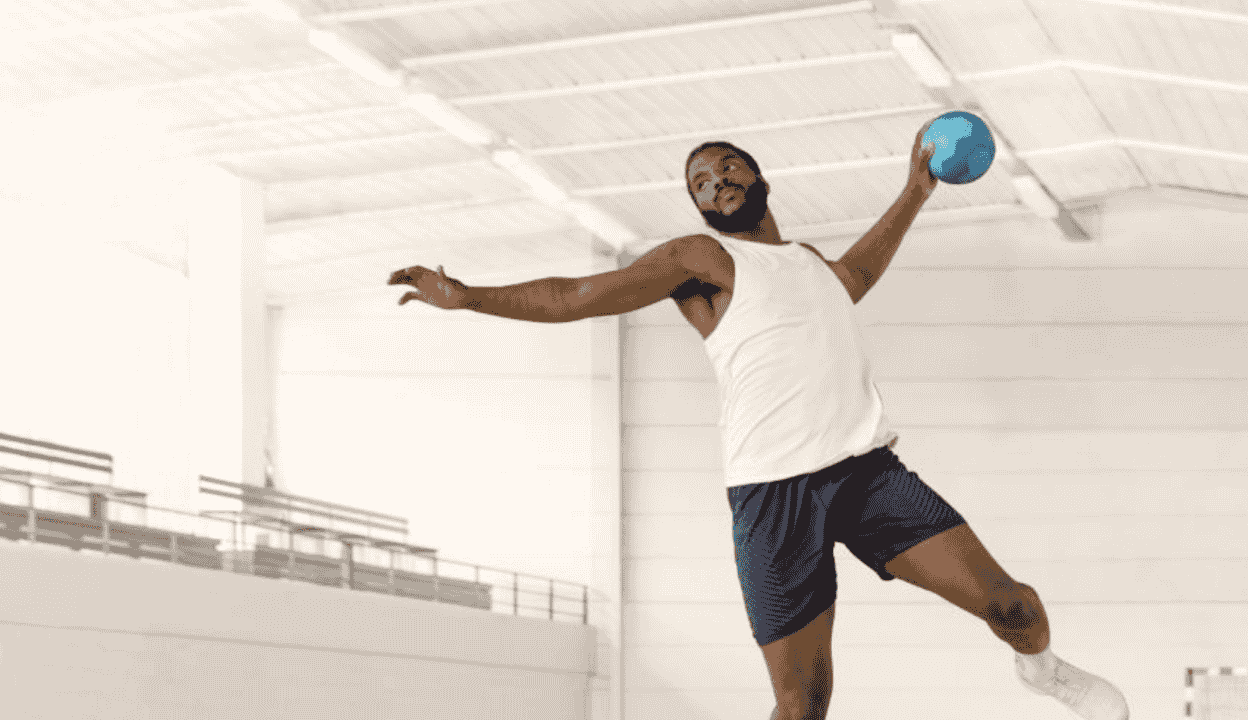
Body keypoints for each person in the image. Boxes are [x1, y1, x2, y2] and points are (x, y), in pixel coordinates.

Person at [388, 124, 1129, 720]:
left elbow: (857, 275)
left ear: (761, 176)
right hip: (771, 497)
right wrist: (470, 296)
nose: (717, 182)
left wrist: (914, 191)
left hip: (868, 477)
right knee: (802, 704)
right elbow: (577, 294)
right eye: (701, 182)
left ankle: (1047, 676)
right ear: (699, 207)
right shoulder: (701, 259)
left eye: (728, 167)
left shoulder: (806, 264)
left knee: (1014, 605)